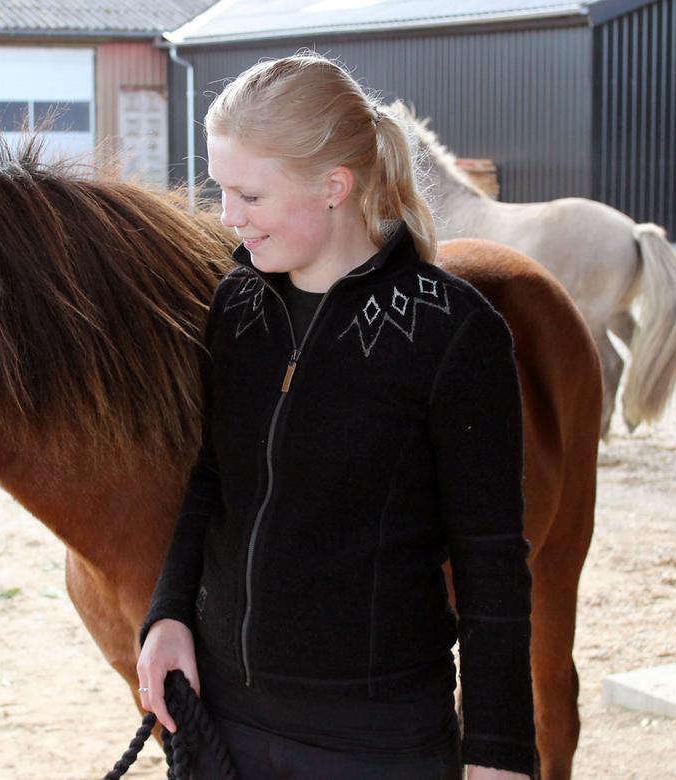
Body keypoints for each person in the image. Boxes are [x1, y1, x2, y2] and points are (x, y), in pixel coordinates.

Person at [136, 53, 536, 780]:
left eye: (248, 195)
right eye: (222, 190)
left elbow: (493, 562)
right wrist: (167, 614)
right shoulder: (237, 305)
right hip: (223, 723)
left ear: (333, 186)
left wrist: (499, 752)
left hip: (375, 741)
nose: (228, 218)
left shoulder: (454, 334)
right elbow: (213, 481)